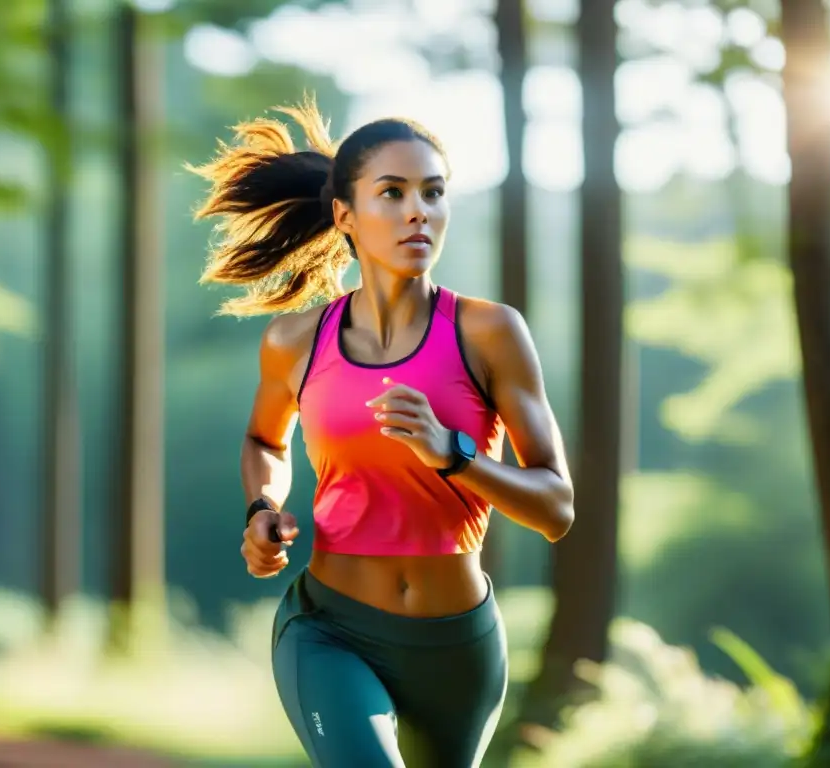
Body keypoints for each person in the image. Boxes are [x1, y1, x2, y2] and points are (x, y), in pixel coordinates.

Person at [191, 97, 575, 768]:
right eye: (392, 193)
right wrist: (262, 508)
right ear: (346, 215)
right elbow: (265, 441)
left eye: (433, 192)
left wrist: (453, 454)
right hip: (332, 630)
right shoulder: (295, 341)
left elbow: (556, 509)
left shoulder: (489, 333)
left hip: (458, 647)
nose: (418, 211)